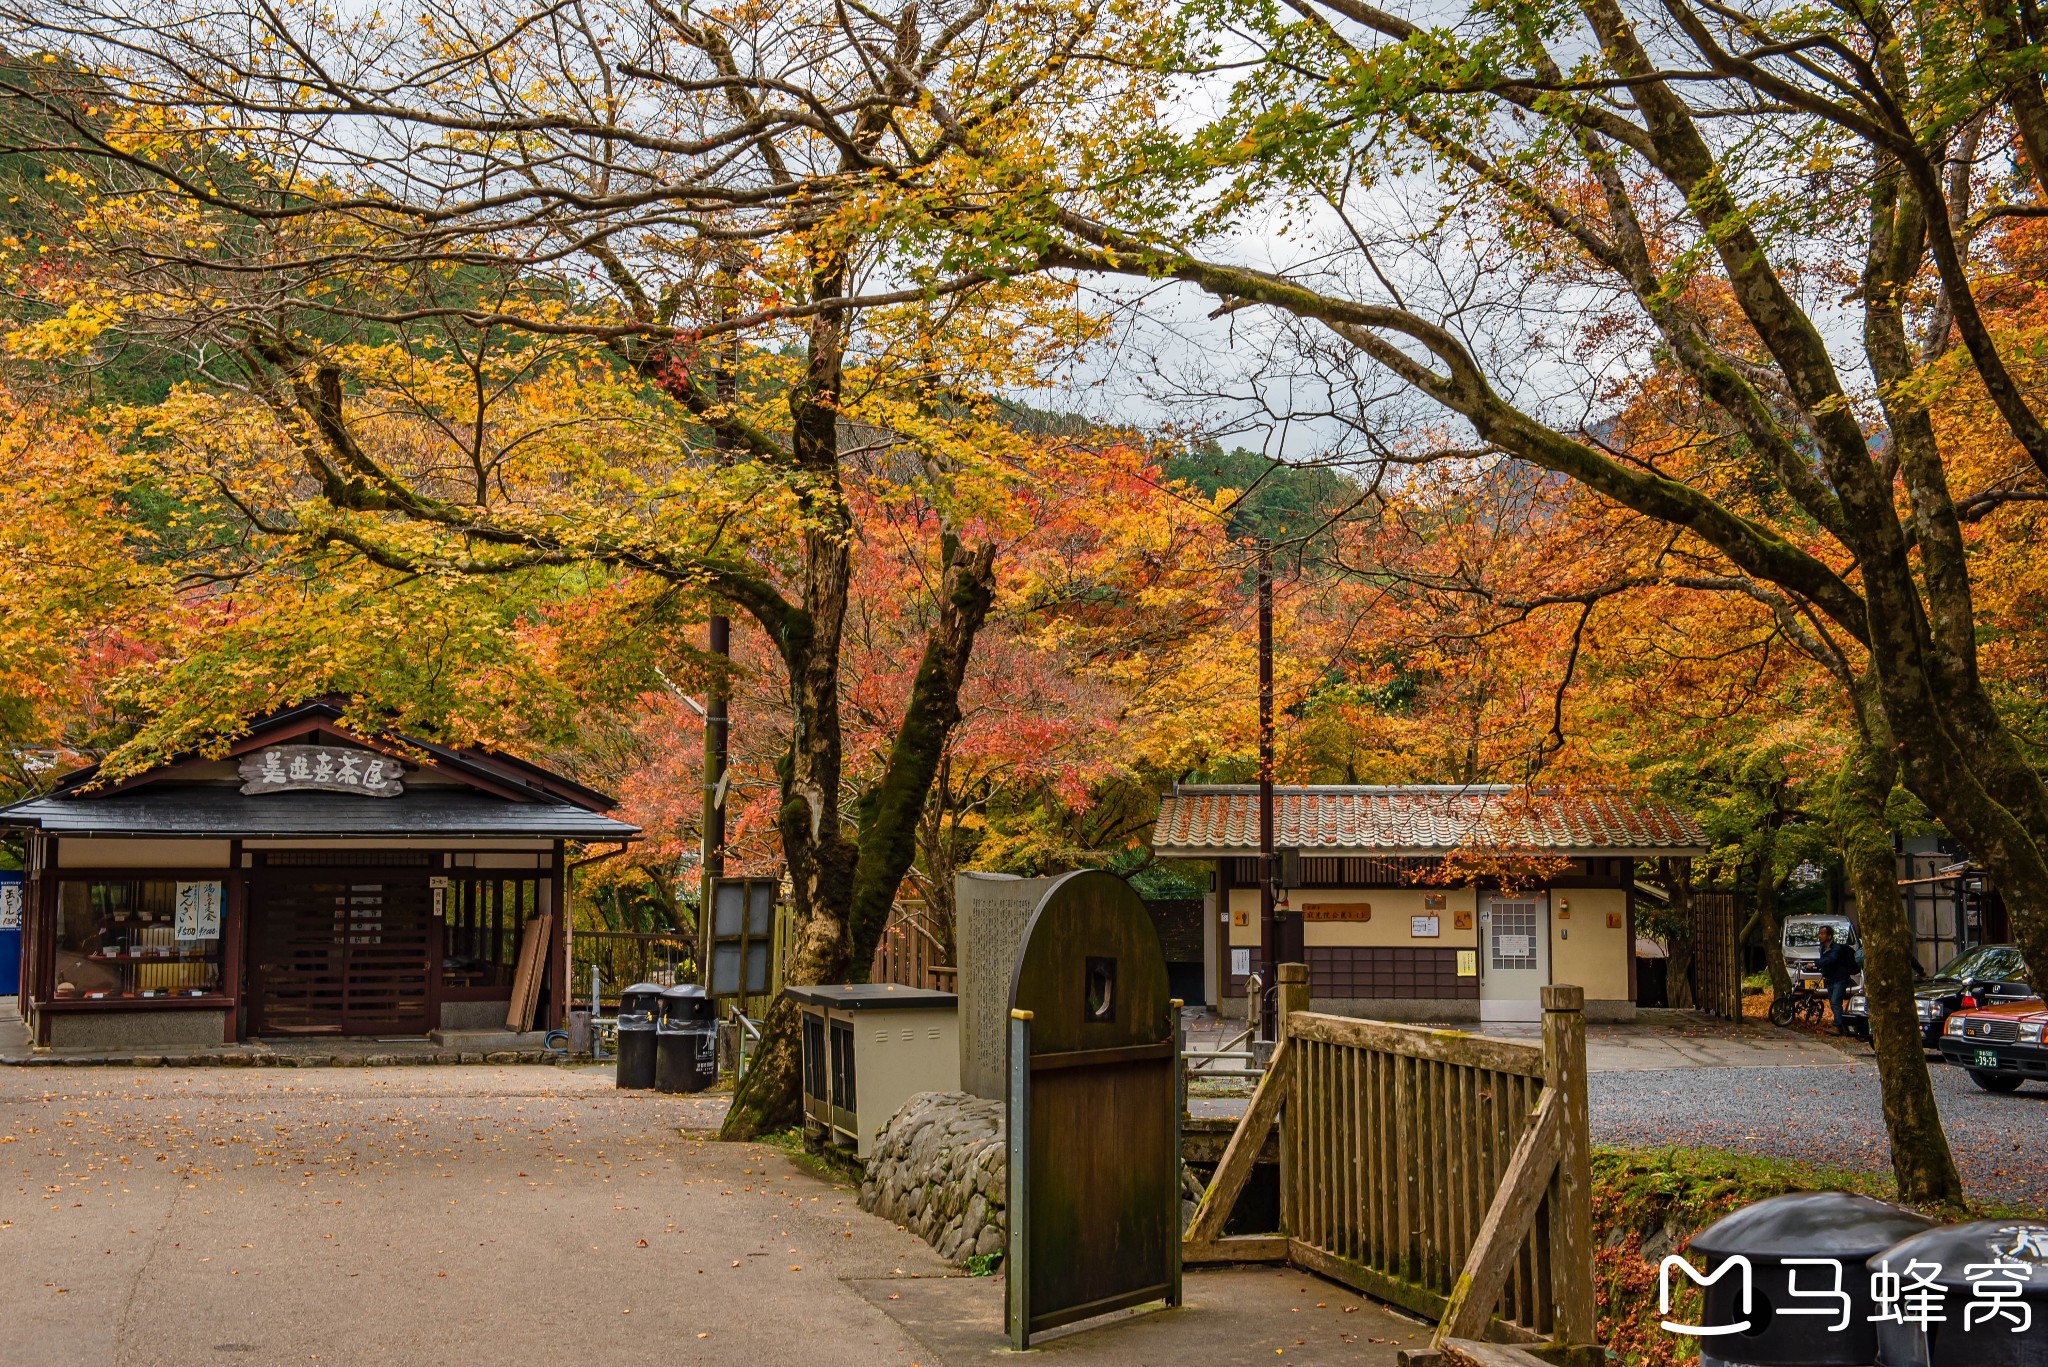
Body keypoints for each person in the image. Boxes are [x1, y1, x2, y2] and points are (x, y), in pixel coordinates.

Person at [1815, 925, 1857, 1035]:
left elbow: (1831, 959)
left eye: (1822, 934)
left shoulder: (1836, 948)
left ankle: (1837, 1026)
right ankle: (1843, 1026)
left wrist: (1816, 964)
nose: (1820, 936)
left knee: (1835, 1002)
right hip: (1830, 978)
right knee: (1834, 1003)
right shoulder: (1823, 948)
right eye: (1819, 933)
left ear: (1829, 936)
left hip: (1840, 979)